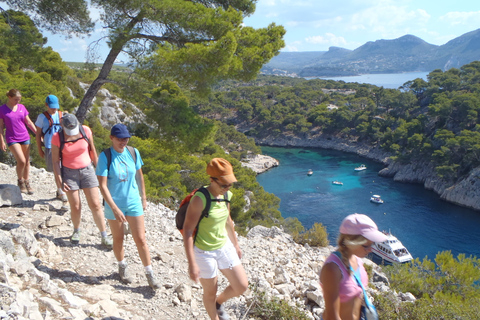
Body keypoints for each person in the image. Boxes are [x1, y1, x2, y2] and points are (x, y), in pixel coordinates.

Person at [96, 124, 160, 289]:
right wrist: (115, 208)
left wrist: (144, 197)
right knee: (119, 239)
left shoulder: (133, 152)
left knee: (141, 239)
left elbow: (139, 175)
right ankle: (122, 266)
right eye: (119, 139)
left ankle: (150, 273)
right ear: (112, 138)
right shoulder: (105, 156)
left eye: (126, 138)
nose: (123, 142)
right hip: (113, 204)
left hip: (133, 202)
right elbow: (102, 186)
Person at [183, 158, 248, 320]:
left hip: (223, 246)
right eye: (223, 185)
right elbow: (188, 230)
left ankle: (219, 302)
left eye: (229, 184)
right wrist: (192, 263)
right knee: (210, 292)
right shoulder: (200, 199)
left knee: (241, 286)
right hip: (204, 252)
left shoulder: (226, 195)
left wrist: (236, 244)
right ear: (212, 180)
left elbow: (228, 221)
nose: (227, 188)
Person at [51, 113, 112, 248]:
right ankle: (76, 230)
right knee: (76, 205)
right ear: (63, 126)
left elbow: (92, 152)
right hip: (69, 172)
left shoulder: (85, 131)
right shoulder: (57, 138)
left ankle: (104, 235)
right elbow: (55, 161)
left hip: (87, 170)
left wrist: (100, 171)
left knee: (95, 204)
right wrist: (59, 180)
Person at [319, 213, 387, 320]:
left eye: (372, 245)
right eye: (366, 246)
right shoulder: (332, 269)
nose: (370, 250)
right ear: (352, 242)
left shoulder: (357, 260)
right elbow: (332, 317)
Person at [0, 89, 36, 194]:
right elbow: (1, 127)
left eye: (19, 99)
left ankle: (26, 181)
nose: (18, 101)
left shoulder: (22, 107)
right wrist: (1, 141)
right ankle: (20, 181)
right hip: (12, 138)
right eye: (16, 99)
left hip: (25, 136)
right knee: (22, 161)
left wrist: (37, 134)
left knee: (27, 161)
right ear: (9, 97)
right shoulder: (2, 109)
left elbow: (28, 122)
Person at [35, 95, 67, 202]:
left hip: (62, 146)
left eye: (56, 107)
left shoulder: (61, 115)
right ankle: (60, 190)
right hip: (49, 146)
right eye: (52, 107)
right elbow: (38, 134)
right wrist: (39, 148)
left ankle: (61, 191)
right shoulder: (42, 117)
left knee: (63, 169)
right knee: (54, 169)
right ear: (46, 105)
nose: (54, 109)